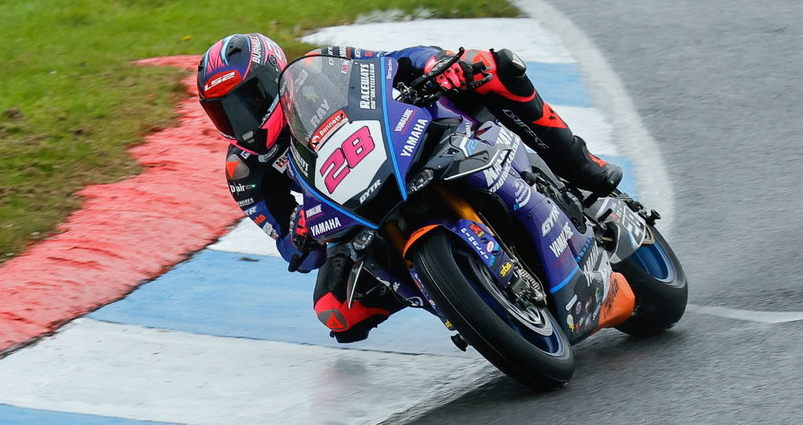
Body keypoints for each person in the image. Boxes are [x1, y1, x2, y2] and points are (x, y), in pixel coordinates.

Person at [195, 32, 621, 343]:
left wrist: (436, 64)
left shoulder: (316, 71)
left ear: (274, 77)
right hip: (350, 215)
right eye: (224, 112)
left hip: (409, 143)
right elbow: (292, 249)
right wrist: (299, 232)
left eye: (248, 100)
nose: (240, 120)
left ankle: (581, 165)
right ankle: (451, 295)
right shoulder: (244, 171)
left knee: (491, 66)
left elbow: (393, 62)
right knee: (337, 313)